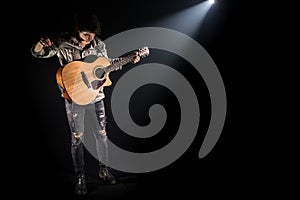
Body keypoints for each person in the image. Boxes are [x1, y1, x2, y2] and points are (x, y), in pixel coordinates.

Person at [30, 12, 141, 195]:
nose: (89, 39)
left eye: (92, 35)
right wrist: (40, 45)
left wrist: (129, 59)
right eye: (85, 35)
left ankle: (103, 170)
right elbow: (40, 53)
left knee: (102, 135)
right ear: (77, 30)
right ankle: (80, 177)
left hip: (96, 97)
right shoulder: (64, 42)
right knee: (77, 139)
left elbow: (107, 64)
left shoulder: (99, 44)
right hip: (74, 98)